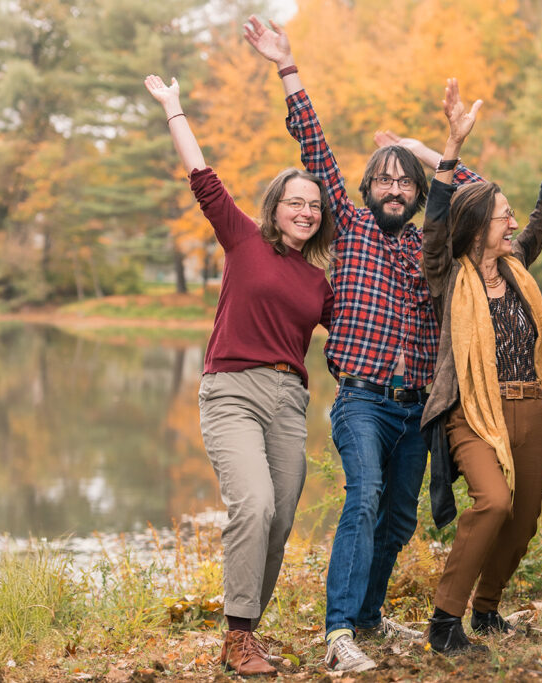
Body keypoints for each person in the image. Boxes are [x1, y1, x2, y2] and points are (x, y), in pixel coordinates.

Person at [242, 17, 482, 672]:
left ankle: (371, 617)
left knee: (399, 518)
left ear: (417, 192)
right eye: (384, 179)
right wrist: (287, 68)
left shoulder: (433, 246)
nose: (396, 188)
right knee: (366, 494)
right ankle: (340, 630)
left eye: (407, 181)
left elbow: (479, 197)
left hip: (417, 410)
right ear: (366, 189)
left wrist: (441, 147)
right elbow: (314, 146)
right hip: (363, 402)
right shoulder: (346, 226)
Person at [144, 74, 335, 676]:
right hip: (231, 390)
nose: (305, 211)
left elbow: (356, 332)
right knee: (252, 504)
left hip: (288, 399)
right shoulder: (244, 239)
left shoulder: (319, 281)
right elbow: (202, 177)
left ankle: (248, 630)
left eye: (314, 205)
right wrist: (175, 106)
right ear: (275, 206)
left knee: (280, 517)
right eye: (295, 202)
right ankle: (236, 636)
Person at [419, 78, 542, 654]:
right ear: (477, 227)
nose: (513, 222)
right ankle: (446, 623)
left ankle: (488, 608)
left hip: (531, 408)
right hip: (475, 411)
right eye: (502, 216)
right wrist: (450, 147)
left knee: (522, 520)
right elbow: (435, 221)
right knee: (492, 502)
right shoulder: (449, 274)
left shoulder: (516, 265)